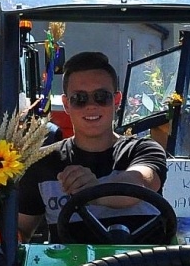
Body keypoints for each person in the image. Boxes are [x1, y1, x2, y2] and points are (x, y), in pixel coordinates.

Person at [17, 51, 168, 242]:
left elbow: (140, 183)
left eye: (101, 96)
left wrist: (94, 190)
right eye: (79, 98)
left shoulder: (144, 149)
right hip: (71, 262)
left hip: (144, 261)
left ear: (116, 100)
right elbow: (20, 231)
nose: (91, 106)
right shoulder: (41, 163)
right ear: (66, 104)